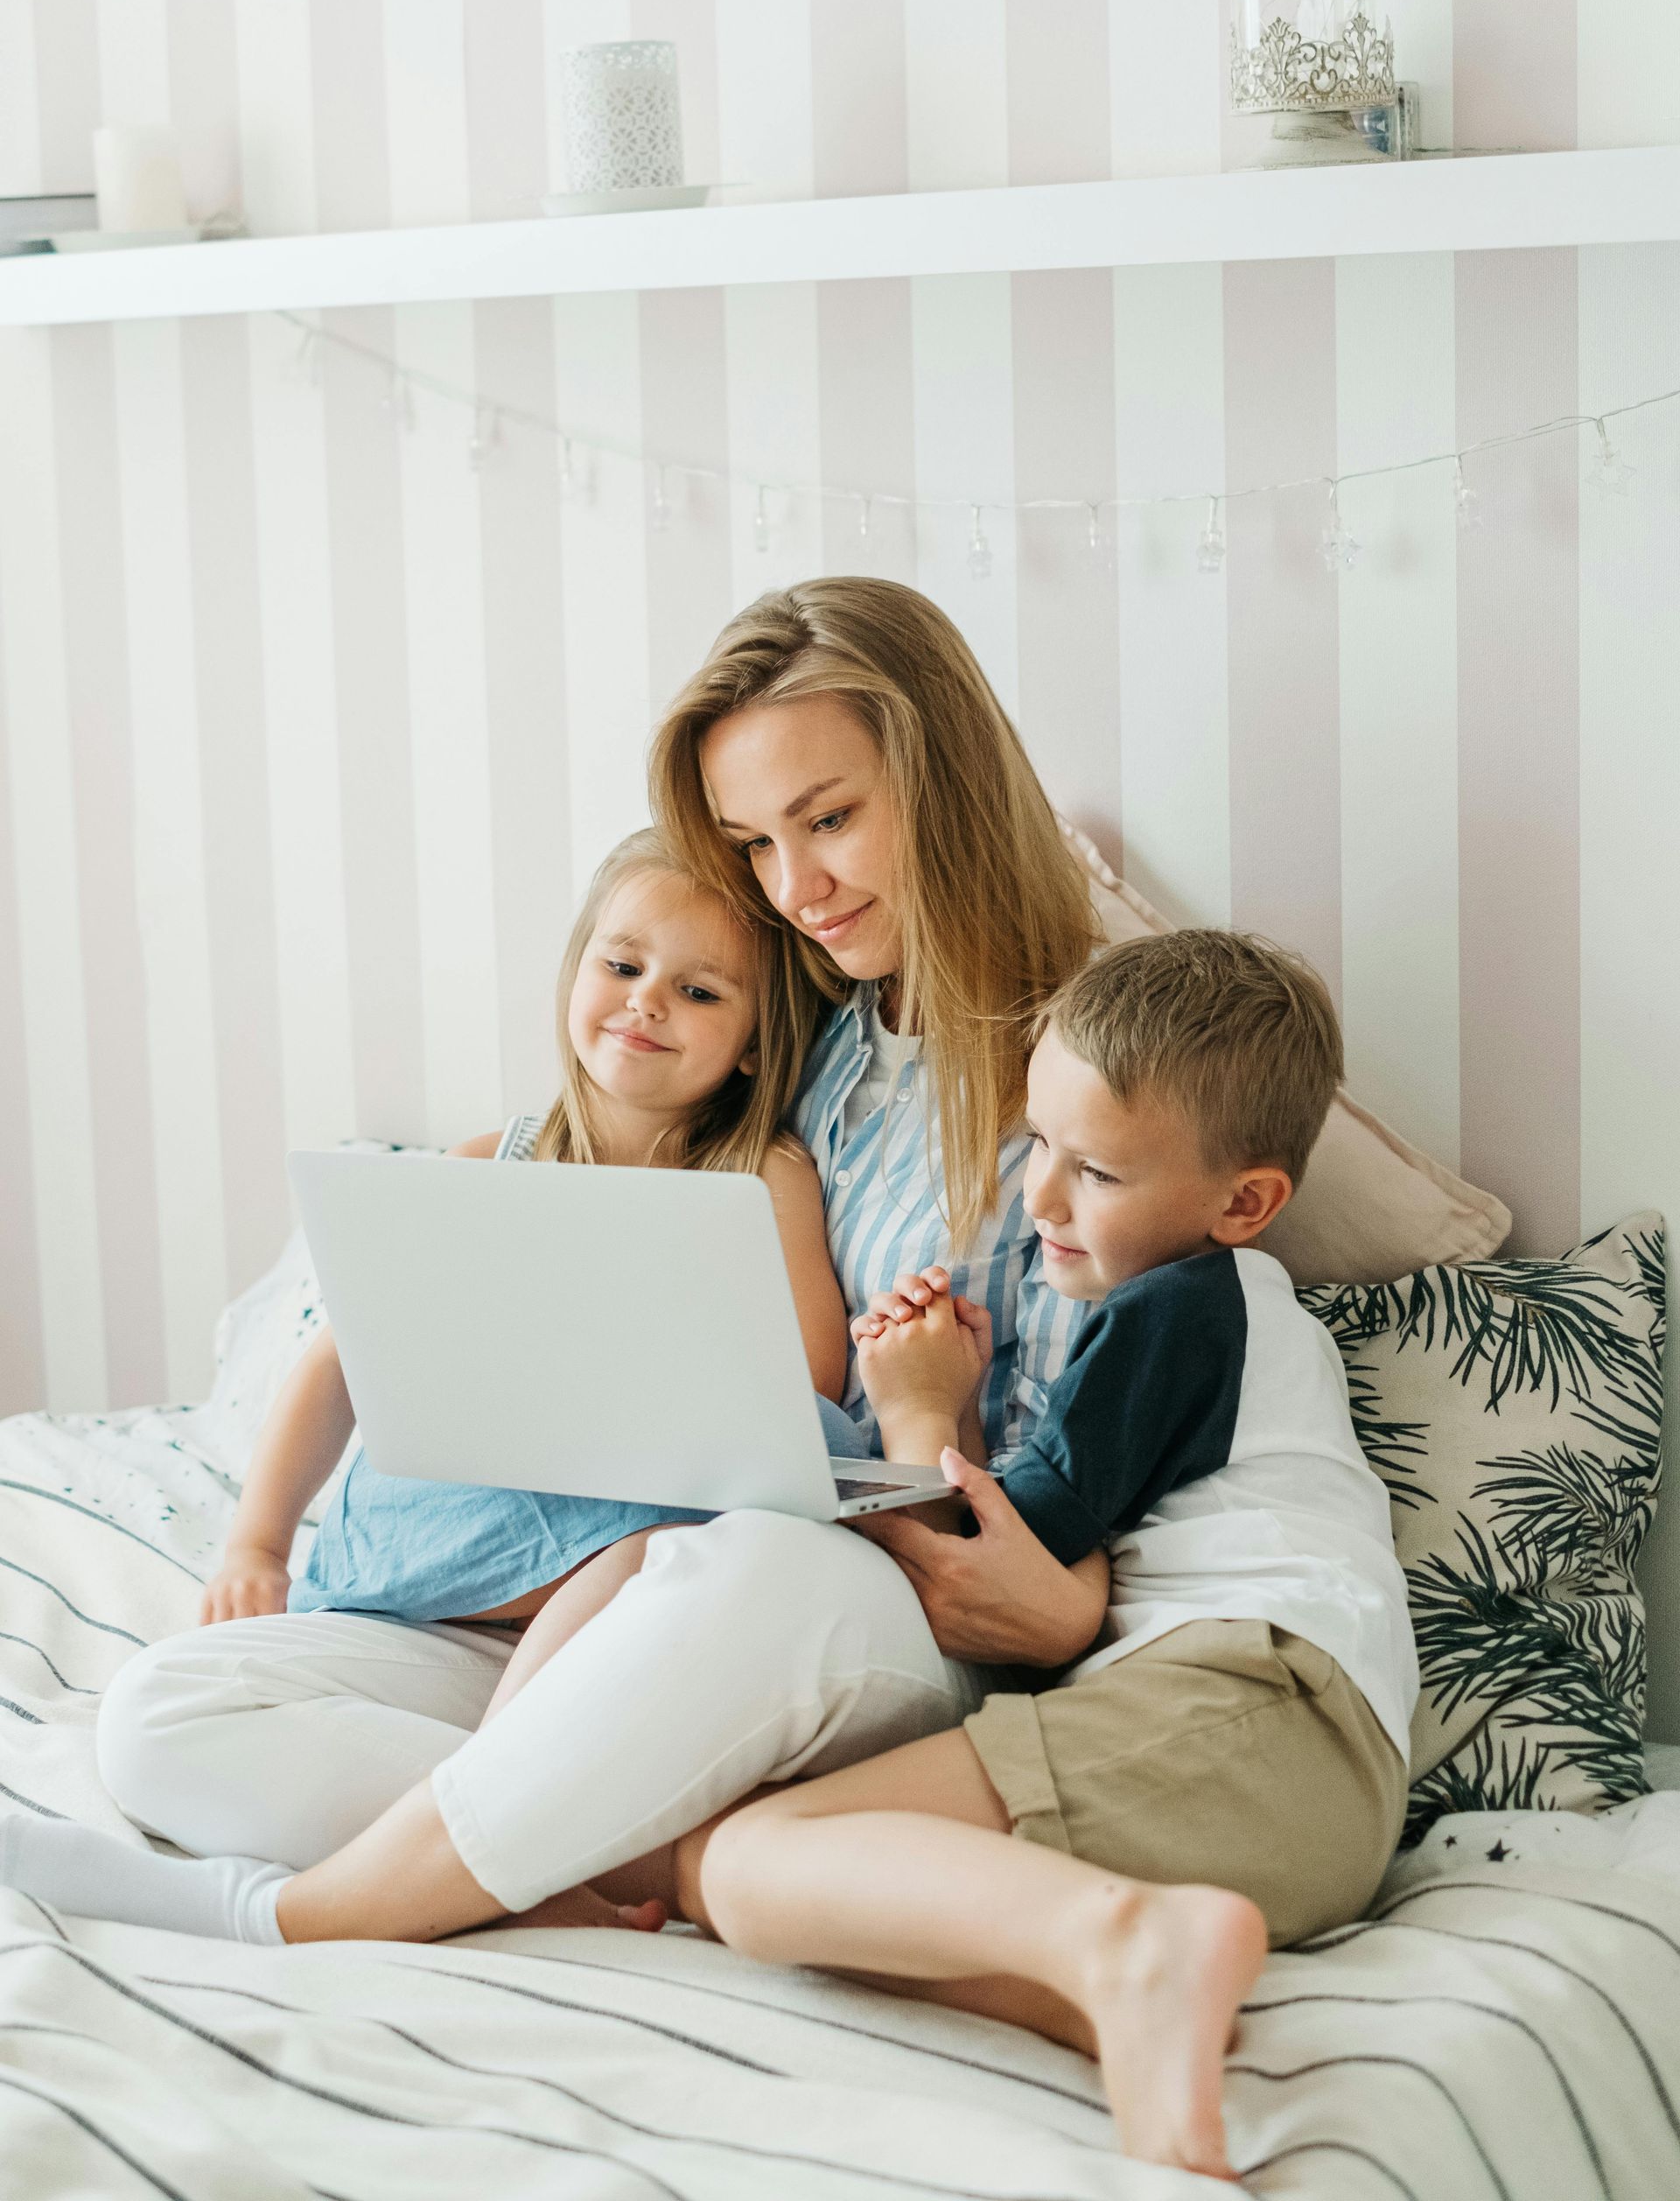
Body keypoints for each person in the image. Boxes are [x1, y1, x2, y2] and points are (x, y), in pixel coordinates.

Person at [14, 582, 1104, 1917]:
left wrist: (1000, 1519)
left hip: (824, 1587)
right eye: (759, 844)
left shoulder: (1085, 1072)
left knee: (747, 1563)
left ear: (942, 782)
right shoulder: (833, 1033)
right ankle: (599, 1837)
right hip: (582, 1632)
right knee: (162, 1714)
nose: (797, 890)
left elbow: (1028, 1419)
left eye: (827, 821)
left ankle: (304, 1910)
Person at [674, 929, 1419, 2180]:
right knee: (798, 1894)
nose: (1041, 1202)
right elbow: (1029, 1556)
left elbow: (993, 1550)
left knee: (744, 1862)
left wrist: (918, 1407)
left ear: (1242, 1204)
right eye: (1041, 1148)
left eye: (1100, 1174)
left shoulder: (1193, 1306)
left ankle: (1133, 1952)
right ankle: (1133, 2000)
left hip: (1261, 1710)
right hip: (1273, 1770)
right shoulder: (1198, 1320)